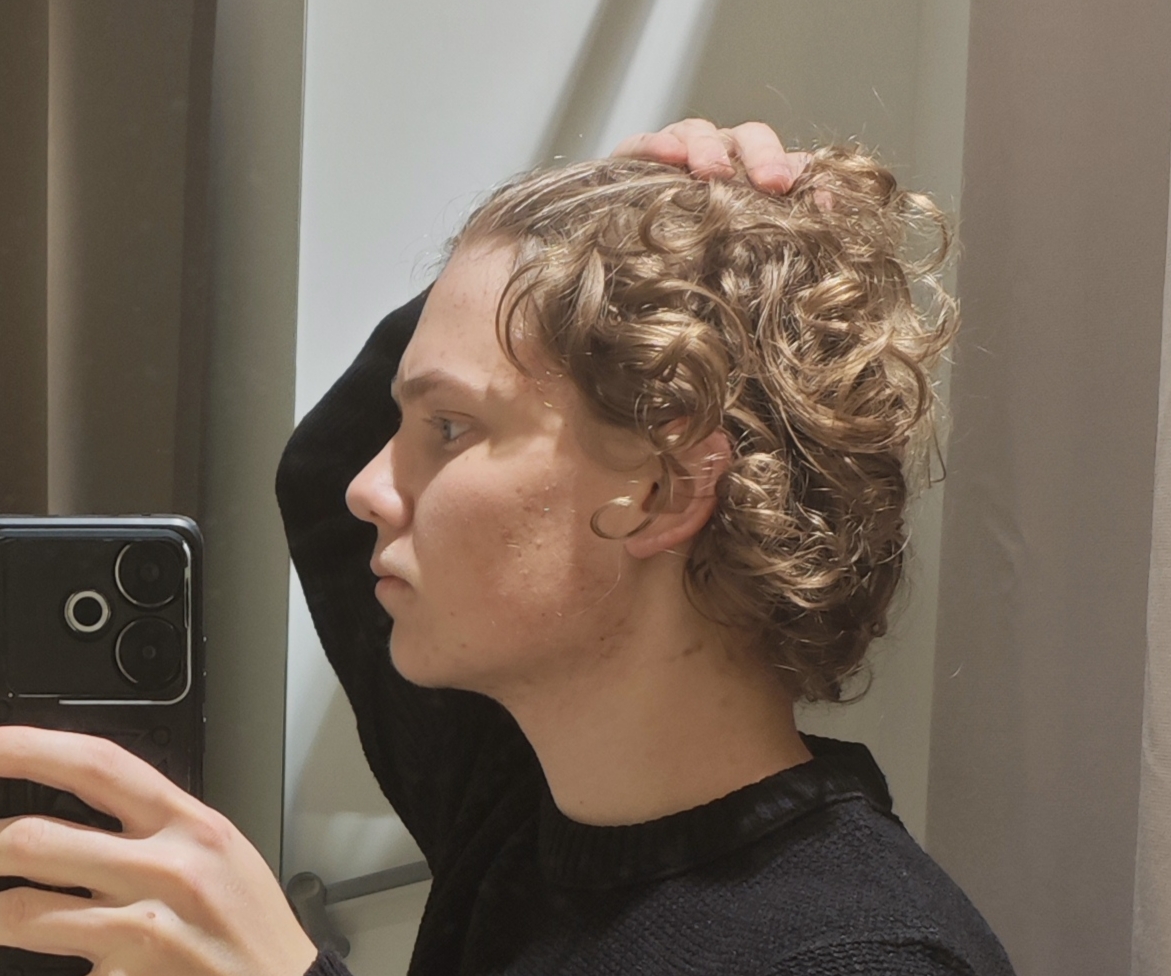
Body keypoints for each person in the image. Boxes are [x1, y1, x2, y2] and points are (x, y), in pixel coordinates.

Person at [0, 121, 1015, 976]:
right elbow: (326, 479)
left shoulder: (856, 958)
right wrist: (608, 234)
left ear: (659, 489)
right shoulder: (523, 802)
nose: (369, 487)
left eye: (447, 428)